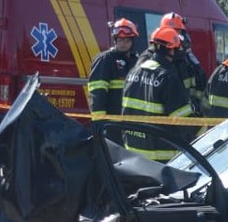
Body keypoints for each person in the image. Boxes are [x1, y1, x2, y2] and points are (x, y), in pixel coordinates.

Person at [120, 26, 196, 161]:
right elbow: (183, 121)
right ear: (171, 49)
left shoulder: (133, 73)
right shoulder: (166, 77)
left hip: (133, 153)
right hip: (160, 157)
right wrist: (205, 131)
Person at [88, 18, 139, 143]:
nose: (123, 44)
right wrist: (100, 124)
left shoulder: (136, 61)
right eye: (120, 40)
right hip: (111, 125)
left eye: (127, 40)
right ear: (115, 40)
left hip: (131, 125)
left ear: (132, 41)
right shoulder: (105, 60)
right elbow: (97, 94)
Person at [160, 12, 208, 116]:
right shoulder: (156, 57)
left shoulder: (186, 58)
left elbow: (199, 82)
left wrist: (196, 104)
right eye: (170, 32)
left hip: (187, 113)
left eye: (177, 32)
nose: (174, 36)